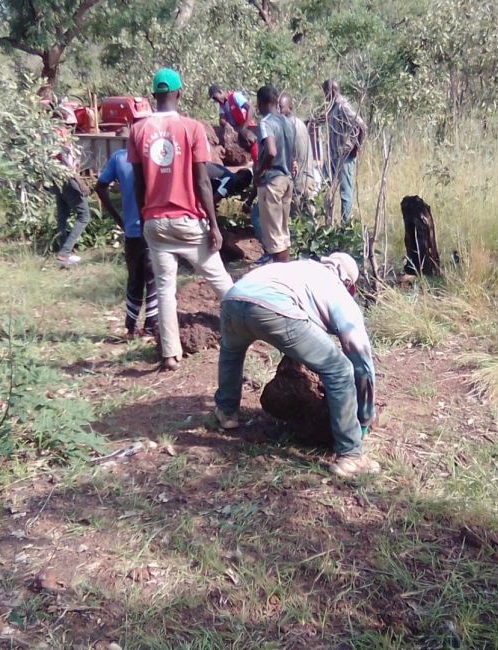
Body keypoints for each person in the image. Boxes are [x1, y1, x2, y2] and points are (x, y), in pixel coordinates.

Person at [213, 252, 379, 478]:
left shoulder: (297, 269)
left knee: (232, 351)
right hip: (272, 307)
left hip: (233, 300)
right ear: (348, 283)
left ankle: (226, 412)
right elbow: (360, 357)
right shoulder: (335, 287)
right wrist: (365, 415)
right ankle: (350, 456)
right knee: (340, 370)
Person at [128, 68, 233, 371]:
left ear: (154, 95)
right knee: (221, 280)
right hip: (188, 222)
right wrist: (213, 225)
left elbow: (137, 183)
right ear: (179, 93)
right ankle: (249, 326)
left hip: (155, 222)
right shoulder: (192, 128)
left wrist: (145, 217)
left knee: (164, 289)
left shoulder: (138, 131)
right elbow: (202, 182)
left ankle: (170, 354)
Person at [96, 129, 158, 340]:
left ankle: (130, 328)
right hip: (155, 228)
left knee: (135, 278)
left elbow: (100, 186)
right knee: (153, 278)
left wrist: (118, 218)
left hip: (131, 230)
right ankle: (150, 329)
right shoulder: (155, 156)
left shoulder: (119, 158)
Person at [253, 85, 296, 264]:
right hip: (287, 180)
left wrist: (260, 172)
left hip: (272, 182)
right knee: (283, 234)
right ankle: (286, 273)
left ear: (260, 103)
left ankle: (281, 277)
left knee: (274, 237)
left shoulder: (266, 123)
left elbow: (271, 151)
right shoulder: (287, 122)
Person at [322, 79, 367, 224]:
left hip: (344, 156)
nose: (324, 96)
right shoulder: (332, 107)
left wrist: (356, 147)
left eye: (325, 92)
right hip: (333, 156)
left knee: (345, 193)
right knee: (325, 188)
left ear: (331, 91)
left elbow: (361, 125)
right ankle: (329, 223)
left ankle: (345, 227)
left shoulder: (342, 106)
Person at [52, 106, 91, 266]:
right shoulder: (63, 137)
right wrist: (81, 183)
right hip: (68, 179)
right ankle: (65, 252)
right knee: (84, 216)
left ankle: (63, 250)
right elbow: (68, 164)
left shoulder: (48, 135)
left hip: (55, 179)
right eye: (70, 126)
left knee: (63, 215)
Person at [278, 92, 317, 219]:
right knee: (310, 219)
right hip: (308, 179)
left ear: (290, 107)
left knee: (297, 222)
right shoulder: (300, 123)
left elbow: (291, 157)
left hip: (298, 182)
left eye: (281, 107)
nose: (279, 110)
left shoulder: (288, 126)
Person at [209, 85, 259, 165]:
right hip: (238, 130)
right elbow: (221, 119)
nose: (215, 100)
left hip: (248, 128)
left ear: (220, 92)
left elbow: (251, 109)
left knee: (253, 150)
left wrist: (244, 128)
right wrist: (226, 124)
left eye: (215, 97)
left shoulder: (235, 96)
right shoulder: (222, 105)